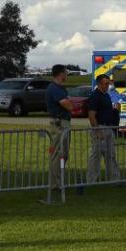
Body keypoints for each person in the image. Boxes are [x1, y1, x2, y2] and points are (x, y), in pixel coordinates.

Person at [87, 74, 120, 183]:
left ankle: (114, 179)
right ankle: (91, 180)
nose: (107, 85)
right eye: (105, 83)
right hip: (100, 128)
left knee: (111, 155)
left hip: (109, 127)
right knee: (96, 156)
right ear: (99, 84)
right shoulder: (95, 96)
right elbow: (91, 114)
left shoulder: (106, 95)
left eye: (108, 83)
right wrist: (97, 130)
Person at [46, 64, 73, 192]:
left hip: (64, 122)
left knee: (64, 154)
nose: (67, 75)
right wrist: (70, 104)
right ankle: (55, 184)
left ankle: (59, 180)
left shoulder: (60, 88)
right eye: (65, 72)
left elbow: (68, 103)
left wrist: (69, 103)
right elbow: (67, 105)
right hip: (59, 123)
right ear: (60, 74)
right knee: (58, 154)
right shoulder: (54, 88)